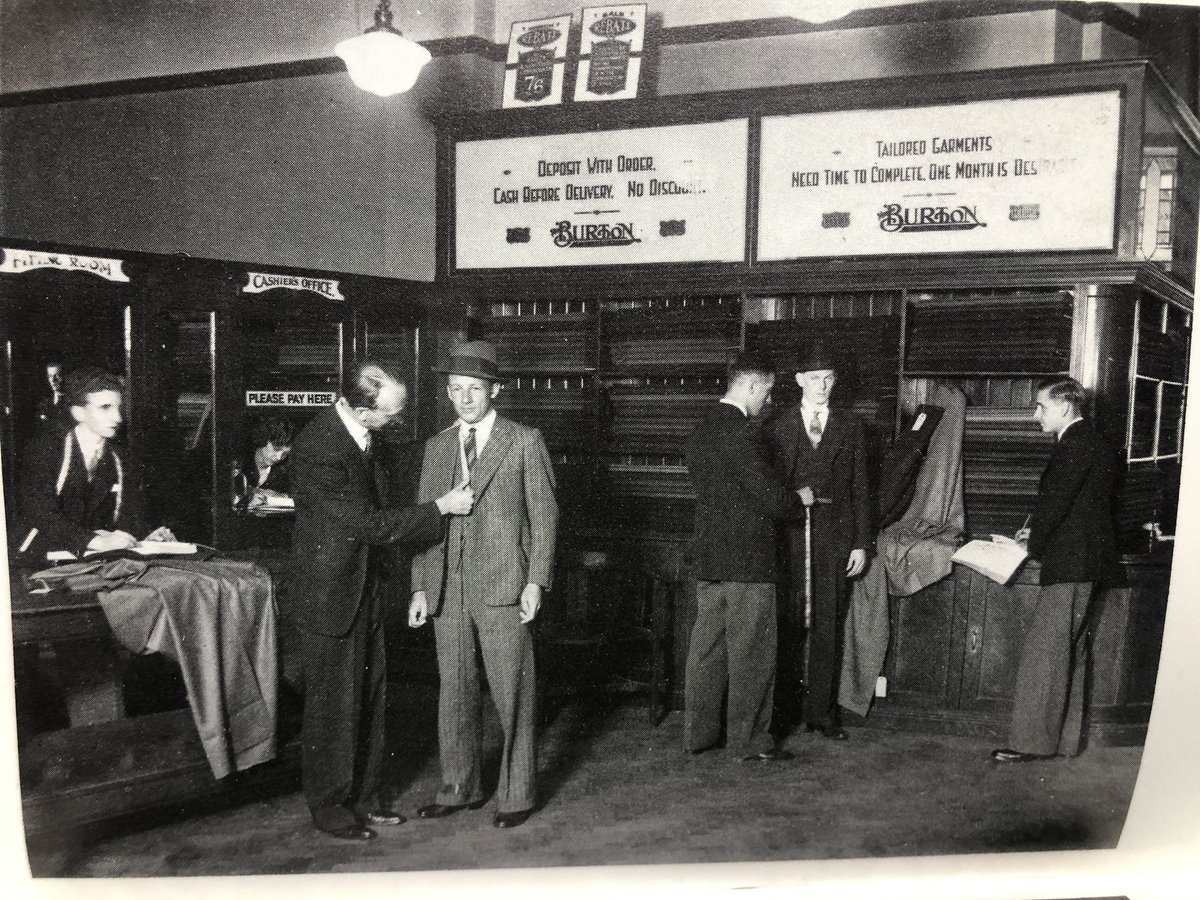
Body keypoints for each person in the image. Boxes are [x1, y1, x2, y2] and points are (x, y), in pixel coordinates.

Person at [286, 362, 474, 841]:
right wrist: (440, 508)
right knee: (333, 706)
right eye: (390, 414)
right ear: (355, 407)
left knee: (369, 699)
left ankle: (365, 799)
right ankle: (328, 805)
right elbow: (368, 524)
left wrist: (448, 437)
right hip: (330, 596)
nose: (397, 421)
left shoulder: (362, 433)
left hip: (364, 587)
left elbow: (397, 457)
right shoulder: (318, 447)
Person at [408, 340, 558, 830]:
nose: (464, 399)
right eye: (455, 390)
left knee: (512, 690)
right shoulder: (435, 447)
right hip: (446, 590)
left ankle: (517, 795)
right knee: (453, 692)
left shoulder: (523, 440)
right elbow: (425, 523)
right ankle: (458, 786)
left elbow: (544, 517)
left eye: (474, 389)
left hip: (504, 587)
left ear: (495, 390)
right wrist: (420, 587)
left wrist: (536, 580)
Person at [683, 352, 805, 762]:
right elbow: (773, 500)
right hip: (749, 564)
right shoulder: (746, 434)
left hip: (710, 560)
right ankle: (749, 742)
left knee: (707, 651)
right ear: (751, 386)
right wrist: (797, 499)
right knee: (752, 654)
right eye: (767, 392)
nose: (768, 402)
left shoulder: (700, 430)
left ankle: (698, 736)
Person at [992, 376, 1117, 763]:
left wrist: (1031, 541)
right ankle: (1064, 742)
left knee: (1046, 652)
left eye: (1041, 407)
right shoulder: (1093, 440)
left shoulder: (1073, 444)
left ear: (1063, 407)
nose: (1035, 415)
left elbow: (1059, 499)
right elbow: (1079, 505)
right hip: (1086, 561)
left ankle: (1032, 744)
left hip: (1070, 564)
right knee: (1070, 652)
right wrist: (1040, 530)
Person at [769, 345, 872, 741]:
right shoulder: (776, 426)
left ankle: (822, 714)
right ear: (798, 381)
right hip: (790, 537)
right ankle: (783, 713)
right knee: (786, 626)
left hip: (836, 537)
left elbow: (862, 487)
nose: (822, 386)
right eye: (814, 378)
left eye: (829, 378)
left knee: (828, 626)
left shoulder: (851, 426)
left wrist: (861, 543)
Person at [19, 368, 175, 558]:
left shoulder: (122, 459)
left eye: (119, 408)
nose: (118, 418)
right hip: (38, 560)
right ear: (78, 413)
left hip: (96, 561)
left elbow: (129, 517)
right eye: (105, 408)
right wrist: (95, 541)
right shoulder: (46, 450)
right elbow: (41, 514)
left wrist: (143, 539)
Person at [241, 415, 294, 503]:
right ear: (262, 439)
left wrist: (281, 496)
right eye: (276, 449)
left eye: (285, 453)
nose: (279, 457)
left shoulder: (287, 470)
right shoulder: (240, 464)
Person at [35, 360, 69, 429]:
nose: (53, 380)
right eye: (50, 376)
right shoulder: (43, 406)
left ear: (64, 376)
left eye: (57, 375)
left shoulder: (73, 402)